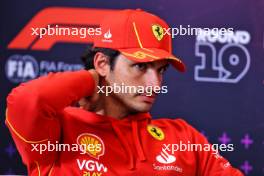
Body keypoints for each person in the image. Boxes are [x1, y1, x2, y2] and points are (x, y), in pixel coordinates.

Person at [6, 9, 244, 176]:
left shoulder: (183, 137)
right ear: (102, 64)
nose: (155, 84)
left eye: (161, 70)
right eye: (140, 66)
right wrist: (89, 80)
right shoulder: (58, 131)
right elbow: (27, 100)